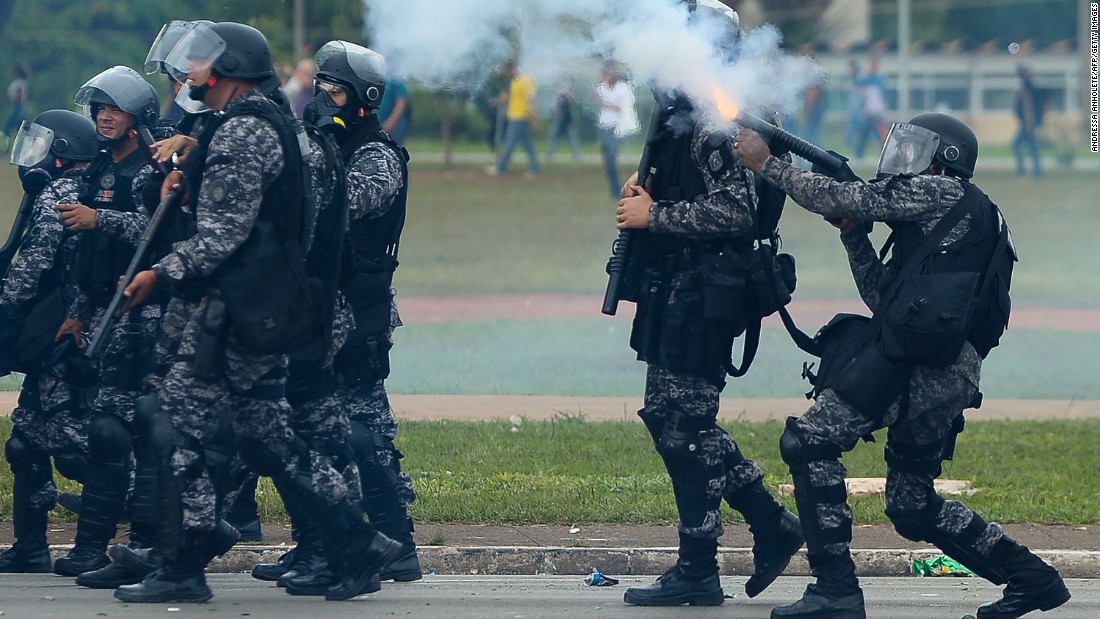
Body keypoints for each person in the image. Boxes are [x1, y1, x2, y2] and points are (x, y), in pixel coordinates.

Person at [732, 113, 1071, 619]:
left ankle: (836, 591)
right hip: (946, 370)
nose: (905, 160)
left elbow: (842, 198)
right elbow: (883, 298)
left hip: (926, 367)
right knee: (911, 504)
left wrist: (767, 165)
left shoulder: (944, 192)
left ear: (943, 160)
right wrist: (853, 235)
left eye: (917, 150)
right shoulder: (957, 216)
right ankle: (1033, 579)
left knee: (809, 440)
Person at [113, 21, 403, 603]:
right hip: (260, 308)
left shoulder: (246, 132)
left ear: (227, 70)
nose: (189, 74)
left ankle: (184, 559)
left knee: (177, 425)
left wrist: (159, 273)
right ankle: (354, 541)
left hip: (243, 310)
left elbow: (224, 234)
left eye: (199, 63)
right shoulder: (246, 126)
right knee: (265, 437)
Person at [614, 1, 803, 607]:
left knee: (683, 425)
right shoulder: (690, 109)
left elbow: (739, 210)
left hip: (707, 292)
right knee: (671, 421)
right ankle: (760, 526)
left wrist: (655, 215)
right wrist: (650, 195)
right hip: (681, 287)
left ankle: (706, 564)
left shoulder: (721, 116)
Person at [50, 66, 165, 584]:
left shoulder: (153, 169)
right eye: (98, 108)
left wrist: (102, 219)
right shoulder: (98, 168)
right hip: (98, 311)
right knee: (106, 433)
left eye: (113, 108)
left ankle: (140, 550)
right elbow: (86, 252)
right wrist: (76, 309)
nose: (103, 116)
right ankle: (93, 548)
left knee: (129, 430)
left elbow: (160, 228)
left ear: (138, 116)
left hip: (142, 315)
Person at [0, 109, 98, 573]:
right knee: (26, 441)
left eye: (41, 144)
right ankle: (31, 547)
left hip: (62, 333)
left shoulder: (59, 194)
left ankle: (155, 516)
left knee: (72, 443)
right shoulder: (89, 188)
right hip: (67, 329)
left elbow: (30, 268)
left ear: (62, 153)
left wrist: (4, 315)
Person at [488, 60, 540, 176]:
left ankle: (500, 168)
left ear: (512, 69)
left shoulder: (524, 81)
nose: (506, 73)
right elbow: (509, 99)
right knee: (528, 145)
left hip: (519, 118)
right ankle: (535, 168)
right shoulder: (515, 82)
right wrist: (496, 102)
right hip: (517, 118)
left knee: (509, 144)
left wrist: (535, 118)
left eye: (507, 71)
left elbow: (531, 99)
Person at [595, 61, 637, 199]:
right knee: (607, 159)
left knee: (612, 158)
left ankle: (618, 190)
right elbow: (593, 96)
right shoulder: (602, 87)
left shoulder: (624, 88)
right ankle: (614, 188)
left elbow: (625, 107)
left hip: (617, 127)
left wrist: (606, 104)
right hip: (604, 127)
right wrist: (600, 80)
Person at [852, 58, 888, 160]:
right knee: (864, 133)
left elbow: (880, 98)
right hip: (868, 112)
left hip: (876, 112)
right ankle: (859, 154)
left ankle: (883, 153)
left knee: (880, 134)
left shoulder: (879, 80)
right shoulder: (867, 80)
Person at [1012, 65, 1043, 178]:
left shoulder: (1031, 88)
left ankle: (1029, 172)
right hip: (1026, 123)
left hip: (1029, 124)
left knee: (1024, 146)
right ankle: (1036, 172)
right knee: (1032, 147)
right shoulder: (1025, 89)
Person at [546, 79, 580, 162]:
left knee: (571, 137)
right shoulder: (558, 95)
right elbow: (555, 106)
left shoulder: (569, 94)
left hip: (567, 119)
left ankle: (576, 155)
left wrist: (568, 93)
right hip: (559, 118)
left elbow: (571, 101)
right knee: (554, 136)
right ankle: (550, 154)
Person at [378, 74, 410, 146]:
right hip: (375, 126)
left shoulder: (396, 79)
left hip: (393, 128)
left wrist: (389, 125)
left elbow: (401, 103)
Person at [3, 63, 30, 147]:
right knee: (21, 131)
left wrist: (10, 99)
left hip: (18, 109)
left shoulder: (19, 83)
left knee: (7, 127)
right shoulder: (19, 82)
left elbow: (19, 97)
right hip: (19, 109)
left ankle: (5, 147)